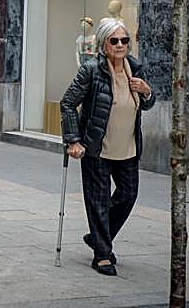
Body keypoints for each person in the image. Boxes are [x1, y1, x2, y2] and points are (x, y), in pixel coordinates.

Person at [59, 17, 155, 277]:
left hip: (128, 147)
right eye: (115, 40)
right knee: (98, 202)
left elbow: (146, 104)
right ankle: (102, 255)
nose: (121, 44)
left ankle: (99, 237)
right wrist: (73, 140)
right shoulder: (91, 70)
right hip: (97, 148)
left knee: (128, 195)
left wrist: (147, 91)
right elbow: (68, 103)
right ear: (103, 44)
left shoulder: (135, 68)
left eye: (125, 40)